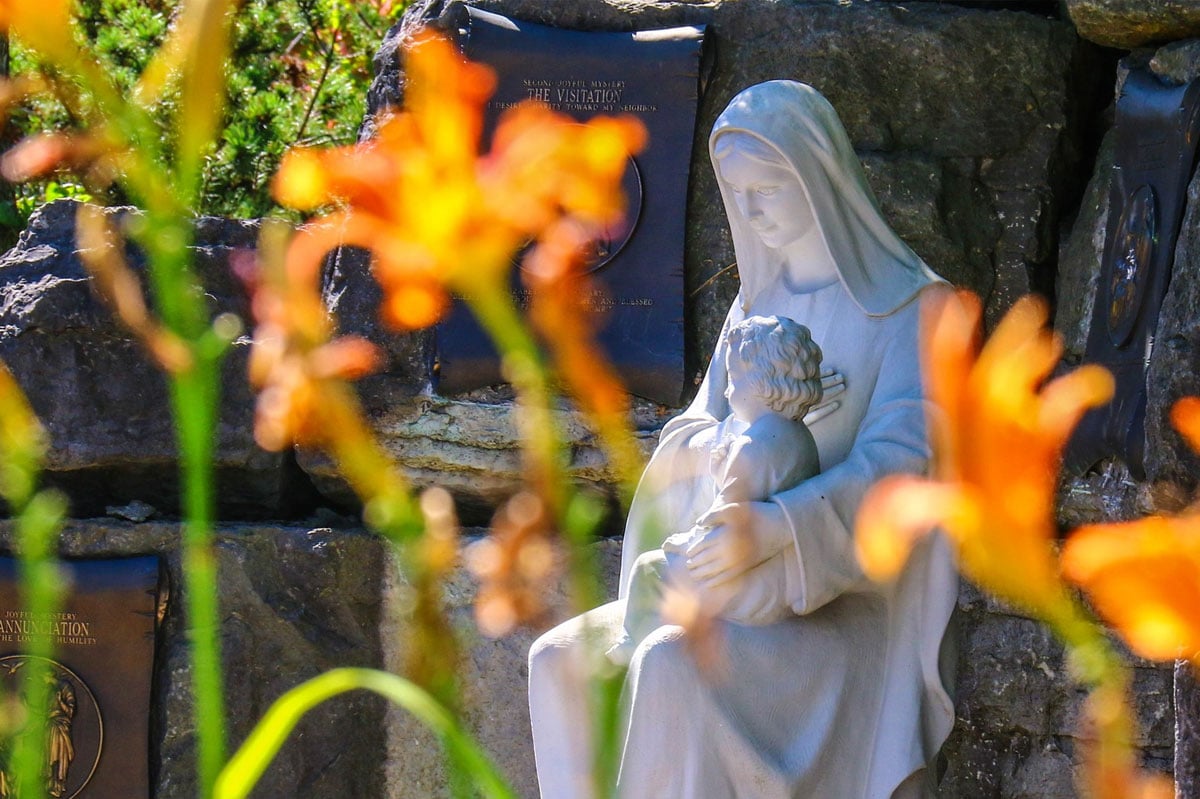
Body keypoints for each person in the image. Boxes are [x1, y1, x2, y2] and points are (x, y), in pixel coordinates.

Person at [528, 81, 958, 799]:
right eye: (738, 190)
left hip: (836, 614)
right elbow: (692, 432)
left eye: (769, 187)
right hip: (727, 581)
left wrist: (774, 527)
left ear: (820, 178)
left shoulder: (915, 310)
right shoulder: (757, 307)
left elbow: (901, 473)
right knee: (559, 658)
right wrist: (732, 439)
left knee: (672, 661)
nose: (753, 210)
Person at [613, 314, 824, 664]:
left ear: (763, 381)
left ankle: (631, 644)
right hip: (786, 573)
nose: (727, 391)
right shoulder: (801, 438)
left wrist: (680, 541)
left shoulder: (750, 445)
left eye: (735, 379)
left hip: (747, 580)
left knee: (649, 568)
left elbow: (722, 518)